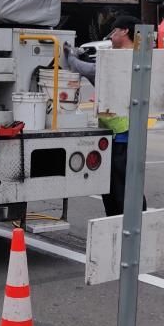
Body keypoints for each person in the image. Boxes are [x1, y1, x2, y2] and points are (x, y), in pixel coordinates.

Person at [63, 13, 147, 217]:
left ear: (125, 31)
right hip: (123, 132)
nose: (111, 36)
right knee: (121, 185)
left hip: (121, 134)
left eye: (114, 31)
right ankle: (130, 224)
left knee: (119, 188)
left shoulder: (123, 57)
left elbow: (88, 70)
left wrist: (71, 57)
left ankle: (126, 228)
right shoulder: (138, 54)